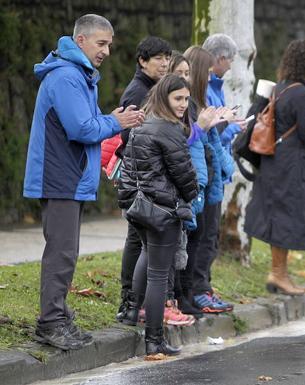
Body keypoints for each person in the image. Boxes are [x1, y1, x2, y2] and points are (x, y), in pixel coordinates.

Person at [23, 14, 144, 350]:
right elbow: (83, 129)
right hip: (58, 176)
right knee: (61, 253)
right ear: (81, 41)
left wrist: (111, 121)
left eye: (109, 44)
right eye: (100, 43)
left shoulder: (79, 74)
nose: (106, 50)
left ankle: (58, 316)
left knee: (67, 252)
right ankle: (50, 323)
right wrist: (116, 121)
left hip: (68, 177)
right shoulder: (66, 77)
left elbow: (86, 124)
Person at [244, 39, 305, 295]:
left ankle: (279, 274)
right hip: (291, 166)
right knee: (285, 218)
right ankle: (278, 274)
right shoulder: (301, 93)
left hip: (274, 161)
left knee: (279, 217)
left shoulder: (282, 88)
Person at [117, 74, 199, 358]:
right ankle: (154, 342)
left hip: (137, 207)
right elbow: (185, 174)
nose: (183, 104)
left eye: (187, 99)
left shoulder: (143, 124)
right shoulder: (169, 130)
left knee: (147, 258)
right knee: (158, 275)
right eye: (178, 98)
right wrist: (191, 195)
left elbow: (128, 167)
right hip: (162, 210)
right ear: (164, 97)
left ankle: (130, 312)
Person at [111, 35, 172, 324]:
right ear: (142, 61)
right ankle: (128, 301)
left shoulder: (154, 88)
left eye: (167, 57)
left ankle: (135, 303)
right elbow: (128, 136)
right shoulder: (138, 92)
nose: (164, 63)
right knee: (137, 239)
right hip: (139, 179)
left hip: (146, 176)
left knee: (140, 240)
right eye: (158, 58)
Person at [193, 34, 243, 312]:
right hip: (207, 172)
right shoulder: (200, 91)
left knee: (209, 235)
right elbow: (205, 133)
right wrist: (231, 125)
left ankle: (203, 287)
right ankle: (198, 289)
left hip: (213, 169)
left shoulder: (213, 88)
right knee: (203, 236)